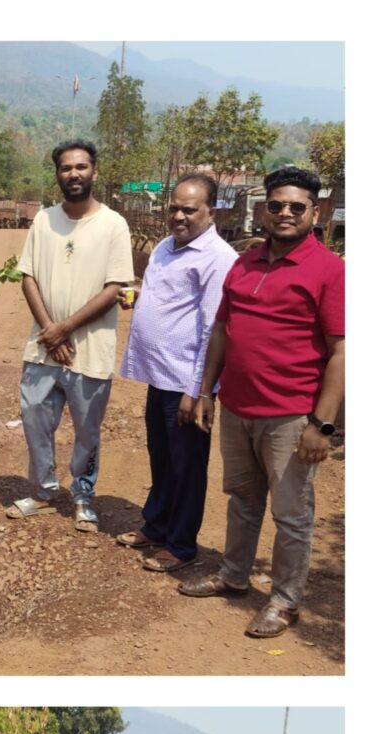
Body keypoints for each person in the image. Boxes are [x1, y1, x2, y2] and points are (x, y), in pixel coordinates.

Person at [179, 166, 345, 637]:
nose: (286, 213)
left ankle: (286, 600)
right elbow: (223, 331)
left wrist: (323, 425)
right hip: (236, 409)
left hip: (292, 416)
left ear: (316, 212)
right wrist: (209, 389)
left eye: (297, 206)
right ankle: (233, 576)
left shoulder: (330, 271)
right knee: (242, 500)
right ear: (263, 210)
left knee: (291, 514)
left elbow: (341, 353)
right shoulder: (244, 263)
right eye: (277, 205)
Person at [7, 141, 136, 534]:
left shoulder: (113, 224)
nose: (74, 174)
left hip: (90, 352)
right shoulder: (43, 220)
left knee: (87, 431)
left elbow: (116, 287)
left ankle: (83, 495)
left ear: (95, 172)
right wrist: (50, 331)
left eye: (81, 167)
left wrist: (64, 328)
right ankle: (45, 492)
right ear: (57, 174)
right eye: (66, 168)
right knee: (33, 418)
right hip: (42, 350)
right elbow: (27, 276)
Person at [114, 173, 237, 572]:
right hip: (159, 376)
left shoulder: (218, 258)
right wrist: (137, 296)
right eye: (174, 208)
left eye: (189, 209)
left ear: (210, 212)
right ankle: (157, 524)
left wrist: (199, 390)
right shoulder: (166, 247)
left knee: (187, 465)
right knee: (162, 457)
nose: (178, 216)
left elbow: (212, 328)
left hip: (187, 382)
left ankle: (182, 544)